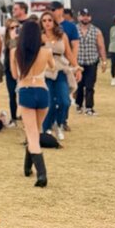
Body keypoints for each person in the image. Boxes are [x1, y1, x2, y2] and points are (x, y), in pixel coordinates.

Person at [10, 19, 55, 187]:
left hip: (26, 91)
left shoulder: (15, 52)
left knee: (32, 134)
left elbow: (15, 75)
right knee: (35, 130)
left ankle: (42, 174)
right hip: (42, 92)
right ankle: (27, 167)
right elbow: (53, 67)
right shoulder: (46, 52)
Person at [40, 11, 77, 142]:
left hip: (61, 69)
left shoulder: (62, 36)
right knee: (49, 102)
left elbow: (69, 53)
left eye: (49, 20)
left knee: (64, 101)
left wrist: (76, 67)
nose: (47, 23)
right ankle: (46, 127)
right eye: (44, 21)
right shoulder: (40, 37)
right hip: (45, 71)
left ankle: (59, 123)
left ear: (54, 22)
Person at [50, 2, 80, 131]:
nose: (52, 12)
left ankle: (63, 120)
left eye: (54, 9)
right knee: (51, 96)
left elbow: (74, 46)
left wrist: (74, 65)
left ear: (61, 10)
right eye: (50, 10)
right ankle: (50, 121)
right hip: (47, 66)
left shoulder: (70, 27)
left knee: (65, 95)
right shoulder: (44, 28)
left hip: (63, 64)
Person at [74, 8, 107, 116]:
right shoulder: (74, 30)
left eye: (87, 16)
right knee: (79, 85)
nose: (85, 18)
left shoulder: (96, 31)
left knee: (90, 86)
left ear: (90, 17)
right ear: (78, 17)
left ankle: (89, 107)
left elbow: (101, 46)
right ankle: (78, 104)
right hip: (78, 62)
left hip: (91, 61)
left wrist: (104, 61)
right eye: (83, 15)